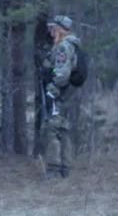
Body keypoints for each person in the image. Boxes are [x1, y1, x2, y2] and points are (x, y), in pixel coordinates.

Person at [41, 15, 81, 179]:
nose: (50, 32)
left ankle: (54, 170)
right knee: (64, 129)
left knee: (53, 129)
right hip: (67, 93)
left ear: (59, 29)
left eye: (53, 28)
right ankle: (65, 169)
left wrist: (52, 88)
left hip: (59, 92)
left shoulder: (64, 47)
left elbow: (62, 73)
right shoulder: (72, 45)